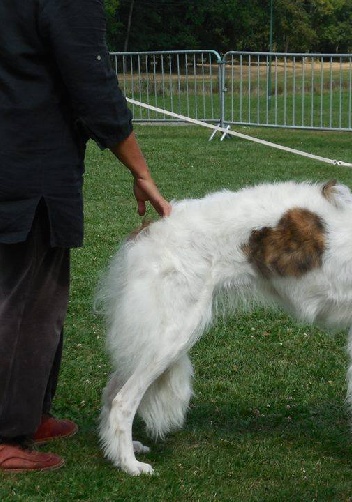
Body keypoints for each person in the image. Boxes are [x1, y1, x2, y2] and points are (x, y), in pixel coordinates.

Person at [0, 0, 172, 472]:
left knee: (39, 294)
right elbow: (91, 83)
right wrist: (140, 170)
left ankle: (30, 413)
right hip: (30, 164)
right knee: (27, 301)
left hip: (16, 152)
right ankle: (6, 434)